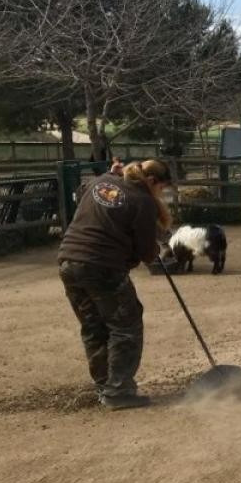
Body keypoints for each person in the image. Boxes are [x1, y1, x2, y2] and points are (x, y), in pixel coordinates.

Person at [58, 159, 172, 410]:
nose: (160, 194)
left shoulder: (102, 181)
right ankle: (119, 391)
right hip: (103, 266)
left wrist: (110, 174)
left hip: (69, 261)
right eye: (161, 188)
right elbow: (146, 253)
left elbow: (83, 195)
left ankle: (105, 387)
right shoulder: (143, 200)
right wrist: (155, 248)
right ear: (152, 181)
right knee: (126, 325)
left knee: (94, 326)